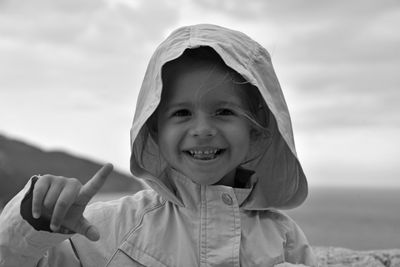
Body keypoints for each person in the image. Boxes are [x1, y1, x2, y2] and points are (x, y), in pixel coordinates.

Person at [0, 24, 317, 266]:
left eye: (224, 111)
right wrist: (36, 220)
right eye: (182, 113)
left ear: (257, 128)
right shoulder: (108, 228)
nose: (203, 129)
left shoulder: (284, 238)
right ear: (153, 129)